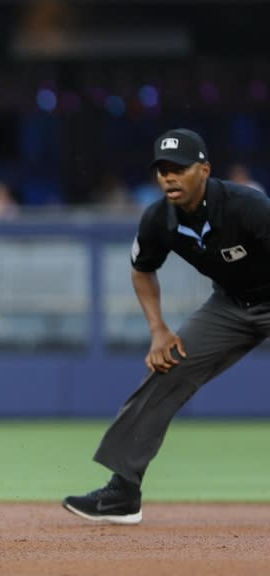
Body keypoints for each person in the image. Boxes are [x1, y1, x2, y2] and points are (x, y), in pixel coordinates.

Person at [62, 128, 270, 524]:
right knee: (166, 367)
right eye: (162, 170)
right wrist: (158, 329)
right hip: (229, 305)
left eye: (179, 168)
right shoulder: (160, 219)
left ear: (204, 170)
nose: (168, 177)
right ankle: (123, 492)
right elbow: (142, 271)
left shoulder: (247, 206)